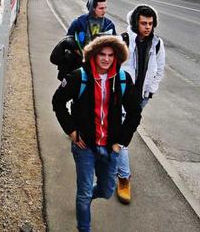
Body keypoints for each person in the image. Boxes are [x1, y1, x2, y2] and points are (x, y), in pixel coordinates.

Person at [52, 36, 142, 232]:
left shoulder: (123, 79)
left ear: (117, 57)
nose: (106, 59)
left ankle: (83, 202)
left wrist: (120, 143)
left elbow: (135, 113)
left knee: (107, 190)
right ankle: (84, 223)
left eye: (111, 55)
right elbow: (58, 102)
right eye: (102, 54)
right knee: (84, 192)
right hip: (85, 146)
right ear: (93, 54)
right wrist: (72, 131)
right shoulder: (79, 77)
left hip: (111, 147)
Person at [115, 5, 165, 204]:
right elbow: (112, 66)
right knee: (121, 135)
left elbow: (160, 69)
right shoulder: (123, 40)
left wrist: (151, 89)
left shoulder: (157, 44)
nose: (147, 27)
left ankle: (113, 159)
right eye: (144, 23)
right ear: (135, 22)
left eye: (150, 24)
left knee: (125, 132)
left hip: (142, 98)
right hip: (123, 97)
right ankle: (124, 178)